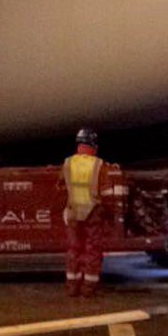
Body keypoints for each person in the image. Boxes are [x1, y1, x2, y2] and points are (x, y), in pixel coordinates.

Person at [59, 127, 115, 297]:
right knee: (92, 250)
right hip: (93, 213)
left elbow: (61, 187)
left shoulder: (68, 163)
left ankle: (72, 287)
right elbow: (107, 194)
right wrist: (110, 214)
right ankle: (88, 288)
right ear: (93, 145)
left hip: (73, 212)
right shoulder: (99, 165)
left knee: (74, 249)